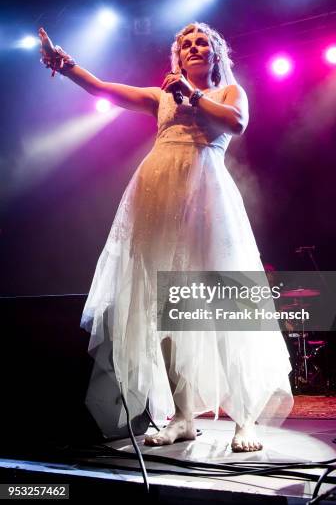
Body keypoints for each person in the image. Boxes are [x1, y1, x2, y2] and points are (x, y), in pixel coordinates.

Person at [39, 22, 293, 452]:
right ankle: (184, 418)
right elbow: (105, 89)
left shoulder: (229, 92)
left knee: (223, 307)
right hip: (159, 198)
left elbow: (238, 123)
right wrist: (66, 66)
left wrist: (191, 97)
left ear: (215, 54)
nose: (194, 48)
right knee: (169, 312)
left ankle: (244, 419)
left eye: (202, 43)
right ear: (178, 56)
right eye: (186, 44)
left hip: (208, 201)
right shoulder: (160, 96)